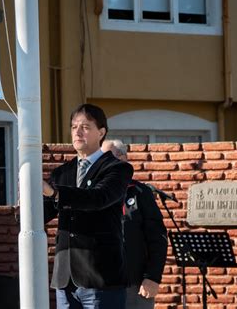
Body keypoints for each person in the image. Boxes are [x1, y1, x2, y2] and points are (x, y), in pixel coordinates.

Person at [42, 104, 133, 309]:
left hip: (100, 276)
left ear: (101, 132)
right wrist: (26, 204)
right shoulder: (62, 173)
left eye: (85, 126)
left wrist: (55, 193)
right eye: (74, 127)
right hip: (65, 278)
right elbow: (42, 214)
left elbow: (98, 198)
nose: (77, 132)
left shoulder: (117, 168)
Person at [101, 140, 168, 309]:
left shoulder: (140, 193)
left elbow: (157, 238)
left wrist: (152, 277)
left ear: (123, 159)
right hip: (99, 285)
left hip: (135, 285)